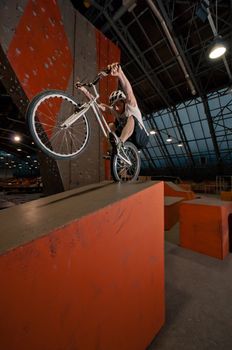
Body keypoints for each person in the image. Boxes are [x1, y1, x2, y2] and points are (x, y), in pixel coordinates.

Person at [76, 62, 149, 152]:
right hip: (129, 138)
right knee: (111, 125)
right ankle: (114, 149)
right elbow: (97, 105)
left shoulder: (130, 105)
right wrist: (84, 90)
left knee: (131, 118)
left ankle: (120, 143)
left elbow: (128, 90)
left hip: (142, 138)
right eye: (114, 106)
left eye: (118, 104)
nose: (116, 108)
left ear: (124, 102)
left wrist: (120, 74)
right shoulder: (114, 110)